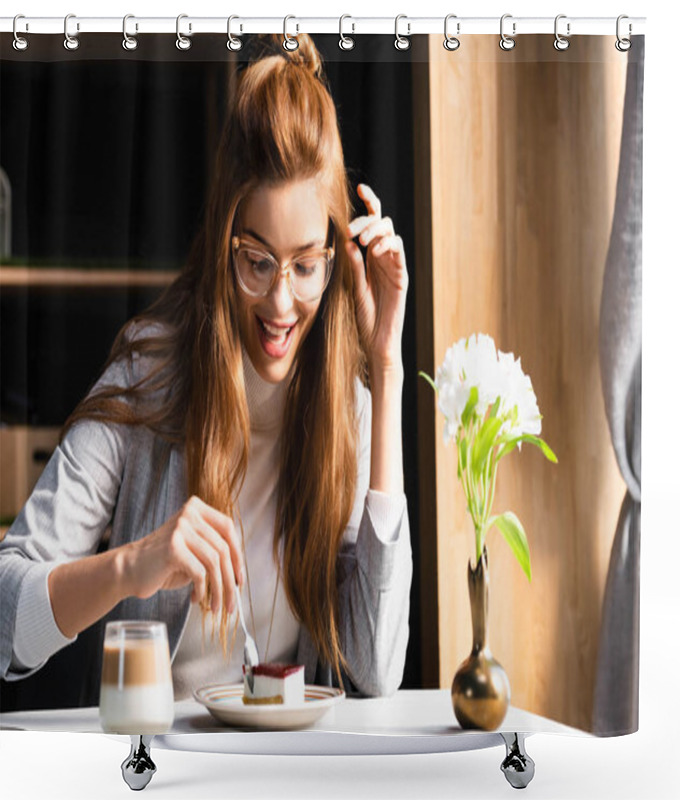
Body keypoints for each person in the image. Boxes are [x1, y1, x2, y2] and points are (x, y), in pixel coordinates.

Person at [0, 35, 412, 703]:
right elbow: (4, 618)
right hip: (151, 763)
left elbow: (375, 665)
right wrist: (133, 566)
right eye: (257, 260)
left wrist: (387, 369)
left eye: (306, 265)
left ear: (334, 258)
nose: (282, 302)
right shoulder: (150, 372)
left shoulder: (349, 408)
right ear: (224, 245)